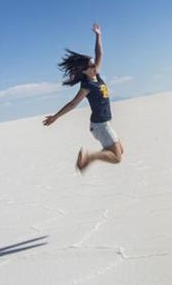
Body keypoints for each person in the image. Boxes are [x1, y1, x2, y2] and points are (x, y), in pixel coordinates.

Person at [43, 23, 124, 173]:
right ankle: (89, 157)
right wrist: (55, 117)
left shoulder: (95, 76)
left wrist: (98, 35)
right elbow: (73, 104)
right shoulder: (87, 85)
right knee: (117, 157)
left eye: (94, 64)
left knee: (120, 152)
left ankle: (87, 160)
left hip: (104, 123)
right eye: (92, 65)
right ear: (85, 71)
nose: (95, 66)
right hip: (100, 126)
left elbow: (99, 54)